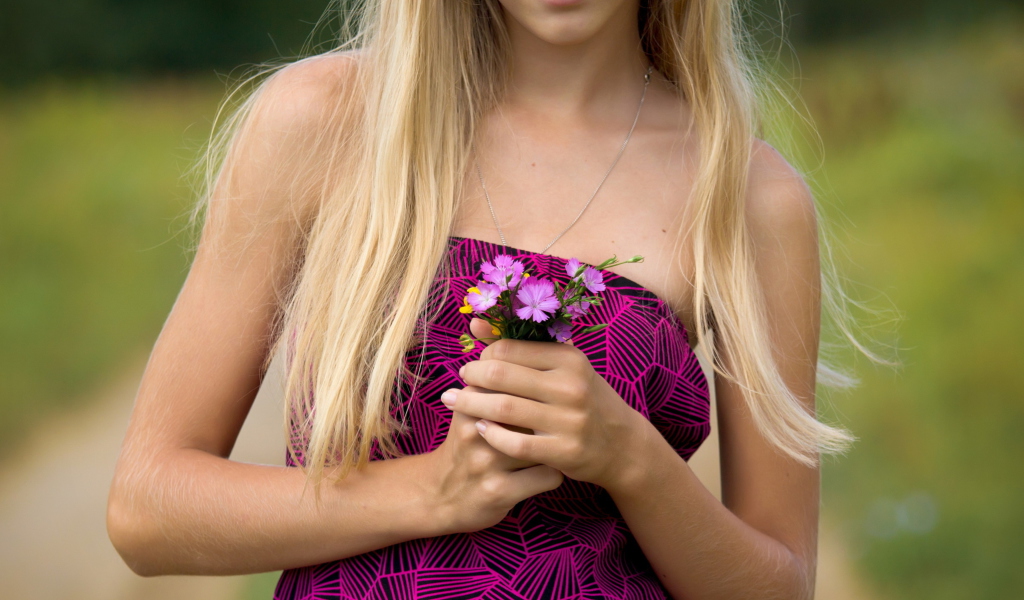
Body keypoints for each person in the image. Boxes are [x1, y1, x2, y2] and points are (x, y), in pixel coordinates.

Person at [106, 0, 862, 598]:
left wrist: (631, 458)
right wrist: (429, 493)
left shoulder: (749, 196)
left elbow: (778, 587)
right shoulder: (325, 123)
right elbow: (147, 511)